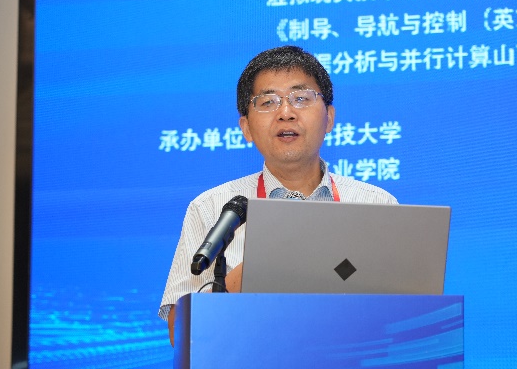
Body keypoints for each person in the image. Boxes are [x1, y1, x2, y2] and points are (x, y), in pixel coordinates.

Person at [159, 46, 397, 345]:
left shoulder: (377, 205)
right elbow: (179, 334)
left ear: (329, 118)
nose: (286, 113)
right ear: (246, 127)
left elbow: (404, 318)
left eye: (301, 98)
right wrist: (258, 269)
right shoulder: (213, 208)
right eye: (268, 102)